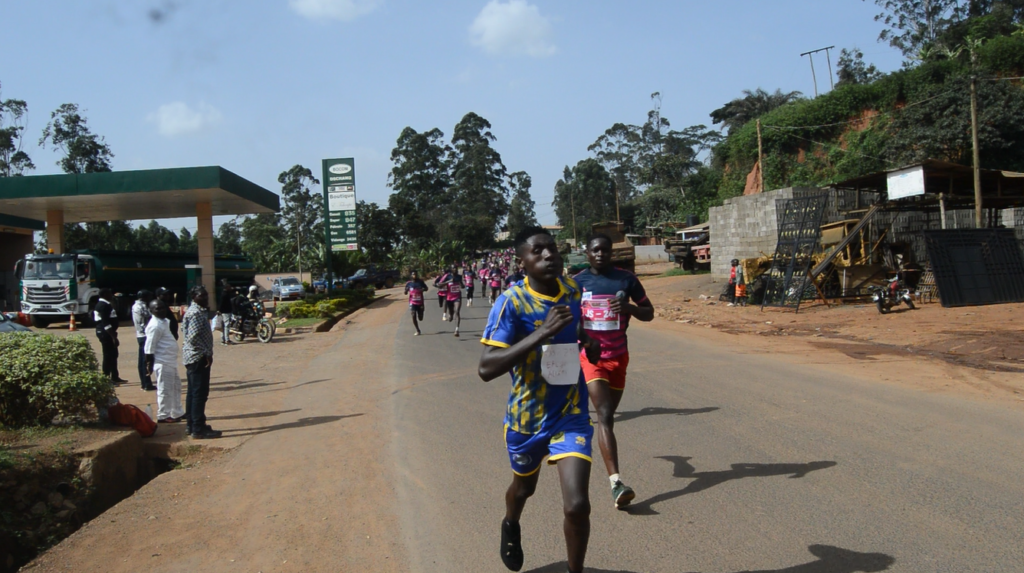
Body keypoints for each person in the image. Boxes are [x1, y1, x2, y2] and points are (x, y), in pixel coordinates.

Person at [478, 226, 601, 573]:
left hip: (570, 414)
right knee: (523, 488)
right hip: (526, 420)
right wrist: (541, 332)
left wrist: (586, 340)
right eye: (538, 251)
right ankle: (510, 523)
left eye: (553, 249)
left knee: (577, 505)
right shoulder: (511, 303)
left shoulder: (573, 290)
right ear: (522, 262)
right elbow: (486, 368)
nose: (549, 255)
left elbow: (575, 327)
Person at [573, 233, 655, 509]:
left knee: (609, 417)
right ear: (587, 253)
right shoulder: (578, 282)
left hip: (619, 357)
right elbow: (569, 319)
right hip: (591, 357)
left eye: (605, 250)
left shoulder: (626, 279)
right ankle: (616, 483)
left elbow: (649, 312)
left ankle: (593, 434)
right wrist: (585, 339)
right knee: (605, 415)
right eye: (595, 250)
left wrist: (629, 308)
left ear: (611, 253)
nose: (600, 254)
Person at [181, 285, 221, 439]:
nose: (205, 298)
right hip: (198, 358)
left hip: (193, 357)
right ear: (193, 297)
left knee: (193, 392)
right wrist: (205, 354)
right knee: (199, 394)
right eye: (201, 296)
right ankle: (198, 428)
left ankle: (192, 424)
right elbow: (192, 338)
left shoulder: (195, 312)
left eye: (206, 295)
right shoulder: (196, 313)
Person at [145, 298, 184, 423]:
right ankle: (163, 415)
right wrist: (149, 364)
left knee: (176, 387)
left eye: (163, 307)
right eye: (157, 308)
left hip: (170, 361)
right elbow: (149, 347)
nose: (161, 310)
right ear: (151, 311)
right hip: (162, 362)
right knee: (165, 389)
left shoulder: (164, 322)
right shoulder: (155, 326)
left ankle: (176, 412)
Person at [93, 288, 126, 384]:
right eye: (109, 293)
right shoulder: (103, 306)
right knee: (108, 356)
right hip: (106, 334)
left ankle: (115, 376)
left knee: (114, 354)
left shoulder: (106, 304)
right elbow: (105, 323)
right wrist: (113, 337)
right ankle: (106, 378)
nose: (111, 295)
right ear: (105, 295)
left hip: (109, 333)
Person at [132, 290, 156, 391]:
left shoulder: (140, 306)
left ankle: (145, 382)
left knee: (144, 360)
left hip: (142, 334)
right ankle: (146, 383)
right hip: (144, 335)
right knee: (145, 360)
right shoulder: (140, 307)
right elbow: (144, 320)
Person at [404, 271, 428, 336]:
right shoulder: (409, 283)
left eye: (415, 274)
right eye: (413, 274)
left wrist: (422, 289)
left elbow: (426, 288)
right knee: (413, 315)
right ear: (411, 275)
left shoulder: (420, 282)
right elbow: (405, 292)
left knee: (420, 318)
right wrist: (406, 290)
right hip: (412, 302)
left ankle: (421, 314)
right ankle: (417, 330)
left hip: (420, 302)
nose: (414, 275)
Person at [443, 268, 463, 337]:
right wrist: (448, 281)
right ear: (451, 270)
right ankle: (450, 315)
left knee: (457, 311)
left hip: (457, 297)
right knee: (451, 313)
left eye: (456, 269)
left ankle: (457, 330)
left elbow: (462, 286)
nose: (455, 270)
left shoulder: (459, 277)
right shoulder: (447, 276)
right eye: (453, 269)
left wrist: (461, 284)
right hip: (449, 298)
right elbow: (439, 284)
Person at [217, 279, 235, 345]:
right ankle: (227, 340)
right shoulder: (225, 294)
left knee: (223, 326)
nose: (230, 288)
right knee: (226, 325)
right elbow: (222, 303)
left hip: (224, 311)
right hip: (226, 311)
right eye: (229, 287)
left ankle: (223, 339)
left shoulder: (225, 293)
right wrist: (220, 310)